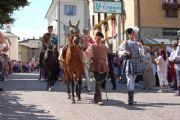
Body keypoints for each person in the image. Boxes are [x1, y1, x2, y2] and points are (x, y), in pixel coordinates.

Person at [118, 27, 144, 105]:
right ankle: (130, 98)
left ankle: (131, 97)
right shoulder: (125, 42)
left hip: (135, 61)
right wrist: (124, 52)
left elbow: (142, 54)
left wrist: (140, 49)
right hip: (128, 61)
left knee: (133, 79)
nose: (131, 35)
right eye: (129, 33)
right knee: (129, 79)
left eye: (132, 33)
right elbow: (119, 51)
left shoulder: (138, 43)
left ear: (135, 34)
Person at [83, 31, 109, 105]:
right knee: (98, 81)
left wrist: (107, 66)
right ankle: (99, 99)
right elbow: (86, 54)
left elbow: (106, 57)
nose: (99, 39)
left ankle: (95, 97)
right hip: (95, 65)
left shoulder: (104, 47)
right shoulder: (92, 46)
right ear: (95, 37)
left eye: (100, 38)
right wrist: (81, 55)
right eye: (97, 37)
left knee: (100, 82)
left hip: (103, 66)